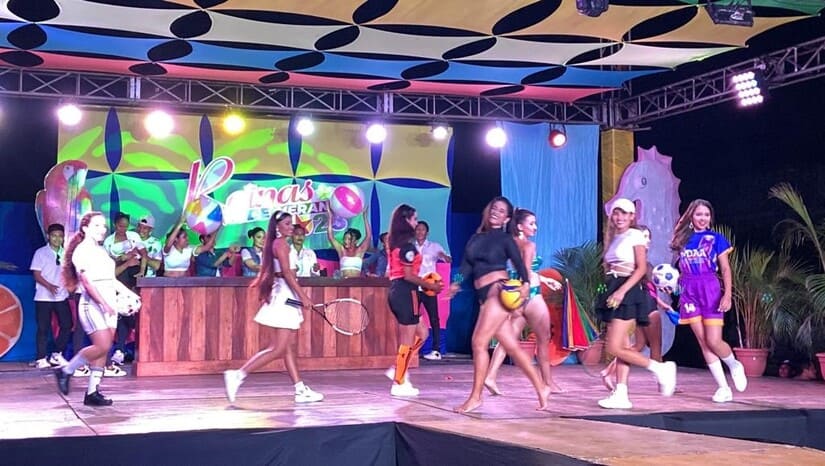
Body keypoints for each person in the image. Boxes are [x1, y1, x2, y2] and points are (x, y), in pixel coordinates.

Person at [449, 196, 552, 413]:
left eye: (502, 211)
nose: (496, 212)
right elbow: (466, 267)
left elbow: (520, 265)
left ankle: (476, 397)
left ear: (506, 219)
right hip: (483, 296)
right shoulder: (475, 239)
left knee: (478, 343)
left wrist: (526, 284)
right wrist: (456, 284)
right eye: (494, 208)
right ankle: (541, 387)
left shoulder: (505, 240)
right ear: (488, 211)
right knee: (511, 346)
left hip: (498, 292)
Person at [223, 210, 324, 404]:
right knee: (278, 348)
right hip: (285, 296)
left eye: (291, 223)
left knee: (287, 347)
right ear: (277, 227)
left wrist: (299, 295)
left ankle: (300, 389)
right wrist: (303, 296)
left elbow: (287, 274)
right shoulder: (281, 244)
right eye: (286, 224)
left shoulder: (280, 244)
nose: (290, 227)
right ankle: (237, 375)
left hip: (285, 294)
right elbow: (287, 274)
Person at [595, 198, 677, 409]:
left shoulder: (635, 235)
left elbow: (640, 268)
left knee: (614, 347)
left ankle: (660, 369)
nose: (619, 217)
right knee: (622, 346)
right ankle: (621, 393)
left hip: (626, 290)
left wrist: (622, 291)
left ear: (632, 216)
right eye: (616, 213)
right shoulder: (615, 237)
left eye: (624, 213)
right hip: (614, 287)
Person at [670, 199, 747, 403]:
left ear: (711, 217)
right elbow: (680, 265)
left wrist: (727, 294)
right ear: (691, 216)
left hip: (710, 289)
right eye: (698, 214)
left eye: (706, 214)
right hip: (688, 291)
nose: (703, 218)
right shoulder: (682, 239)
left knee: (713, 340)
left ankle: (734, 364)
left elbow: (726, 269)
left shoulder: (716, 239)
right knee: (703, 341)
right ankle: (723, 388)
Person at [484, 208, 564, 395]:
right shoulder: (528, 245)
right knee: (543, 339)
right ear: (520, 226)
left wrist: (545, 279)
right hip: (530, 294)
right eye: (531, 224)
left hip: (515, 295)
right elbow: (526, 272)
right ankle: (547, 383)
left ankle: (491, 376)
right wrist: (532, 286)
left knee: (508, 338)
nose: (535, 227)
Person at [53, 211, 123, 406]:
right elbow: (86, 282)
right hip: (93, 303)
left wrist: (128, 294)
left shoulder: (101, 251)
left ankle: (92, 392)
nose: (102, 229)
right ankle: (66, 370)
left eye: (104, 225)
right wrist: (103, 303)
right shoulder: (82, 251)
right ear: (85, 228)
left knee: (103, 350)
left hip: (110, 302)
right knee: (103, 345)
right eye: (97, 225)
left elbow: (111, 280)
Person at [599, 225, 670, 392]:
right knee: (654, 345)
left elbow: (649, 289)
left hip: (644, 305)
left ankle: (608, 372)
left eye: (648, 237)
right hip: (646, 308)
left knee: (637, 346)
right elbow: (641, 287)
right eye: (643, 236)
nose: (646, 240)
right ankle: (663, 379)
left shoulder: (645, 264)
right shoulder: (637, 264)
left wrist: (662, 302)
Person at [385, 204, 443, 396]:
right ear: (406, 221)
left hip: (402, 291)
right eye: (414, 219)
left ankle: (398, 367)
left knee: (423, 333)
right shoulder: (407, 247)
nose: (416, 223)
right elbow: (408, 275)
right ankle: (399, 382)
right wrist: (431, 286)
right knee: (407, 340)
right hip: (405, 292)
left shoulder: (395, 243)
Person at [30, 223, 72, 369]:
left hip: (61, 296)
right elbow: (36, 274)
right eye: (54, 236)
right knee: (43, 328)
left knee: (67, 324)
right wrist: (49, 286)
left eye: (60, 236)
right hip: (43, 297)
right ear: (48, 236)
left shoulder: (66, 253)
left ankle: (56, 354)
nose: (57, 239)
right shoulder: (40, 253)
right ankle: (41, 358)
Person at [414, 221, 452, 361]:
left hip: (429, 288)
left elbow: (447, 259)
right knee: (412, 318)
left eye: (422, 229)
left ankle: (436, 350)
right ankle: (413, 350)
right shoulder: (410, 247)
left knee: (434, 319)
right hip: (413, 286)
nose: (420, 232)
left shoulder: (434, 247)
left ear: (427, 232)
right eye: (418, 229)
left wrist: (444, 256)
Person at [327, 207, 371, 278]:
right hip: (344, 282)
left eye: (349, 239)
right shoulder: (342, 250)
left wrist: (364, 217)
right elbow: (330, 237)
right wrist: (330, 217)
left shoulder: (360, 250)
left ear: (356, 241)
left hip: (357, 282)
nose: (345, 241)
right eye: (345, 238)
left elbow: (368, 236)